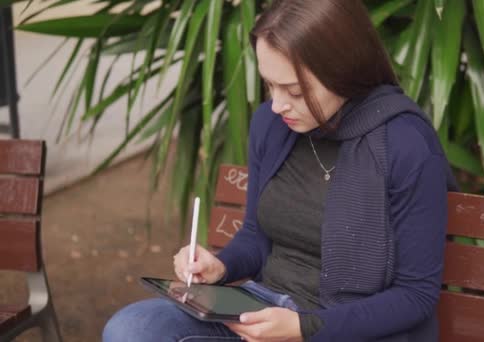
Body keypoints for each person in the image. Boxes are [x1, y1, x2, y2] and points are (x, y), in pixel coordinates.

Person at [103, 0, 458, 341]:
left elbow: (416, 295)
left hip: (347, 329)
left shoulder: (405, 145)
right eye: (269, 84)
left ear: (345, 71)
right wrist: (220, 267)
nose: (277, 105)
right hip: (264, 312)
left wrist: (303, 328)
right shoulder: (272, 126)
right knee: (133, 329)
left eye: (294, 91)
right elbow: (257, 237)